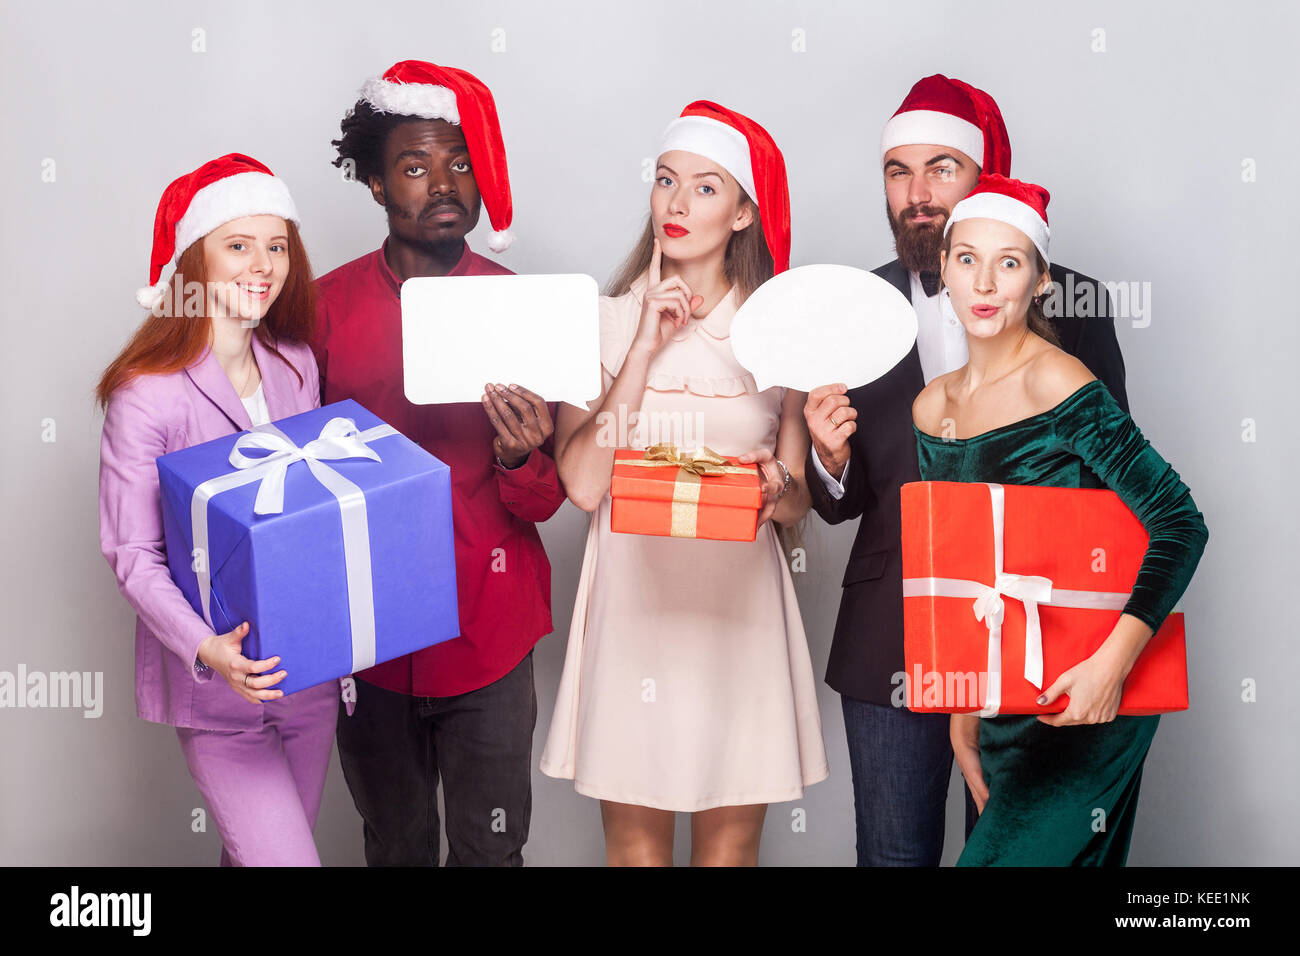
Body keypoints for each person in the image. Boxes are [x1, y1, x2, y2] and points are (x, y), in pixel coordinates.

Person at [802, 74, 1131, 866]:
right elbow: (837, 506)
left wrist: (1107, 650)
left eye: (941, 168)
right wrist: (829, 457)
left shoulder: (1074, 302)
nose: (917, 193)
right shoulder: (852, 307)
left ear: (984, 177)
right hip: (892, 636)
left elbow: (1118, 489)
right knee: (892, 856)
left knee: (1017, 853)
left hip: (1035, 627)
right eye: (898, 171)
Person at [540, 101, 828, 866]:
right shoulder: (602, 322)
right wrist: (640, 351)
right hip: (635, 610)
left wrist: (777, 488)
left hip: (739, 615)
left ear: (743, 213)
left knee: (730, 856)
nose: (675, 202)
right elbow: (580, 484)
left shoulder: (778, 336)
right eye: (666, 181)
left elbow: (797, 496)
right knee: (634, 853)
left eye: (705, 187)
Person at [910, 173, 1207, 864]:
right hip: (1003, 688)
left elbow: (1180, 521)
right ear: (944, 269)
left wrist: (1112, 667)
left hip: (1089, 688)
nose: (985, 282)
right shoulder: (932, 406)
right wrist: (965, 705)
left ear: (1040, 281)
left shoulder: (1058, 381)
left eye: (1008, 262)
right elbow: (961, 565)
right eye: (967, 259)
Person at [312, 60, 565, 867]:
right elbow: (288, 476)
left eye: (459, 163)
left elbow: (547, 499)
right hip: (368, 640)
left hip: (489, 632)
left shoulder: (520, 305)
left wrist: (523, 455)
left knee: (492, 851)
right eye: (415, 168)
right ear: (378, 187)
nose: (443, 184)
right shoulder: (322, 307)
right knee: (395, 846)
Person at [98, 153, 334, 866]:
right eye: (237, 245)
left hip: (308, 679)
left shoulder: (297, 366)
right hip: (220, 692)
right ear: (195, 262)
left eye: (276, 245)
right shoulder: (148, 393)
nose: (261, 264)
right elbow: (132, 555)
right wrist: (207, 649)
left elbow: (313, 516)